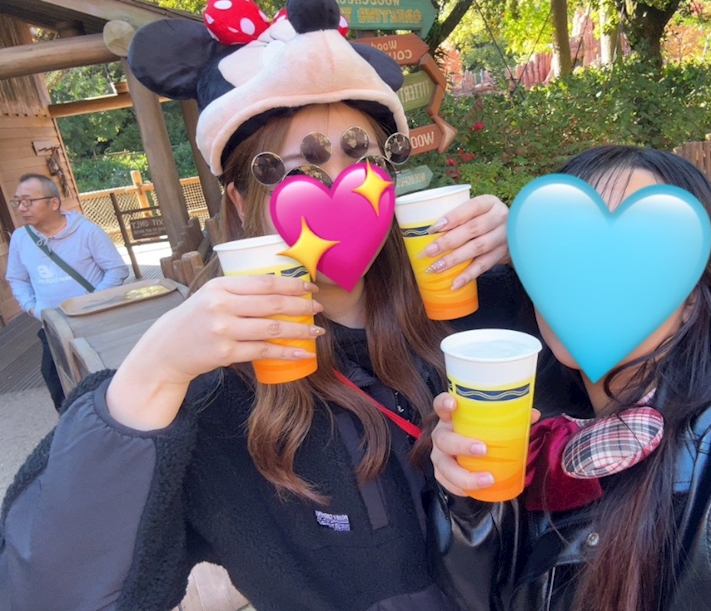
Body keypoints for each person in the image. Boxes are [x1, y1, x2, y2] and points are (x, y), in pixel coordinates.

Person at [0, 1, 584, 609]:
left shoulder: (479, 310)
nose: (346, 185)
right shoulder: (210, 397)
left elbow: (624, 389)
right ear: (238, 198)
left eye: (366, 158)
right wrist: (152, 375)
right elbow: (47, 592)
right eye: (304, 166)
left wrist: (537, 258)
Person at [429, 145, 711, 611]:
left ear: (691, 296)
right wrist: (470, 505)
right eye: (560, 252)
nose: (586, 279)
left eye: (634, 257)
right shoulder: (539, 438)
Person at [5, 173, 129, 410]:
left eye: (28, 201)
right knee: (57, 382)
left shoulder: (87, 232)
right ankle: (72, 425)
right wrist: (33, 308)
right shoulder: (21, 238)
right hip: (52, 326)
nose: (21, 208)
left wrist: (89, 302)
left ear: (54, 203)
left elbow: (116, 269)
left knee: (104, 380)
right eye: (17, 202)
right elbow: (17, 278)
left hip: (93, 322)